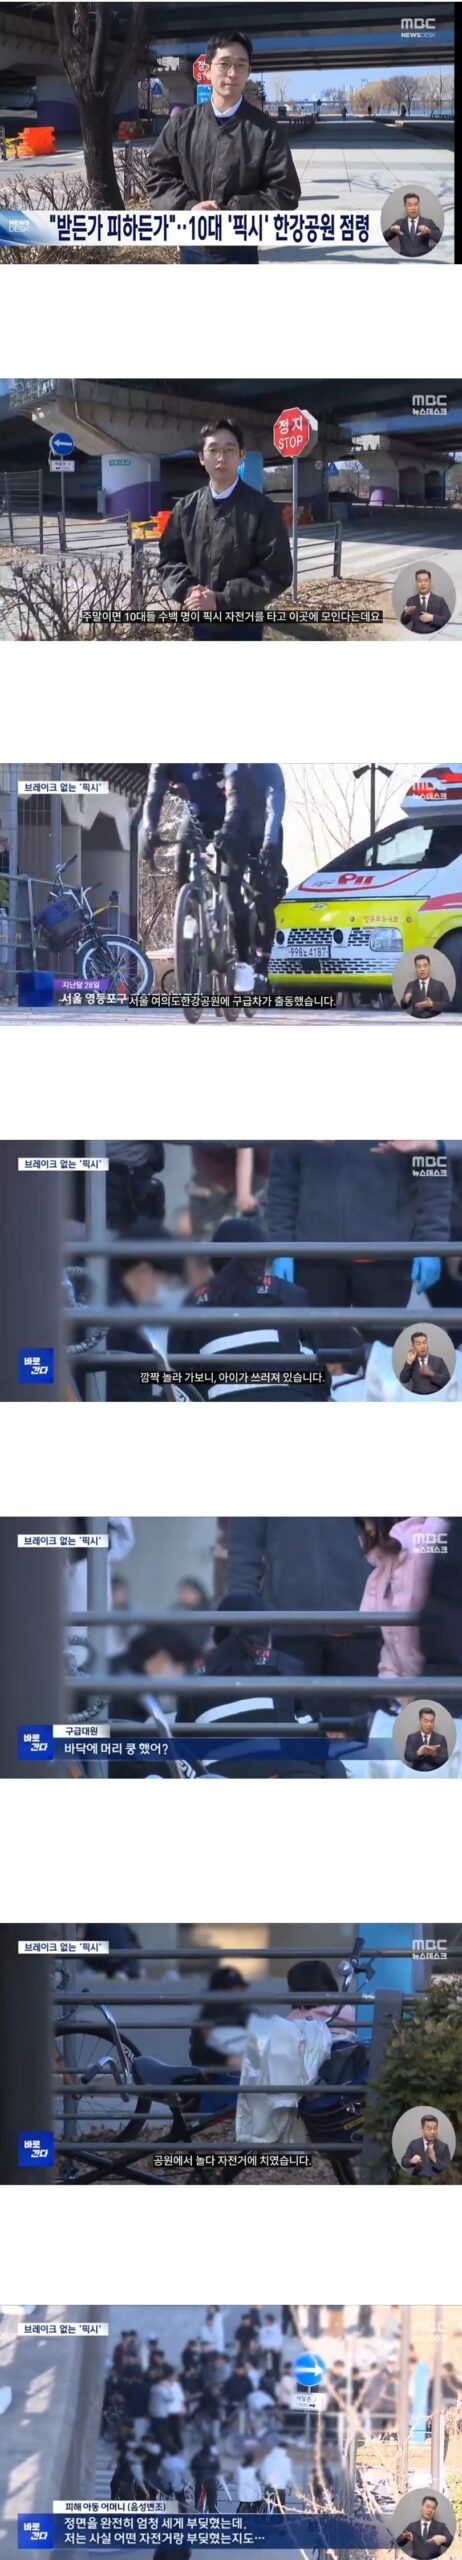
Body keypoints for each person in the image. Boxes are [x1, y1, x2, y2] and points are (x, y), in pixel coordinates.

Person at [224, 1512, 379, 1755]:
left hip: (361, 1630)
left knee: (359, 1748)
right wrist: (245, 1624)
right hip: (288, 1633)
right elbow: (244, 1555)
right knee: (294, 1745)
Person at [146, 27, 300, 267]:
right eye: (224, 63)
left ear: (249, 70)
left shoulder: (266, 131)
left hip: (240, 250)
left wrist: (231, 213)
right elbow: (158, 175)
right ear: (207, 69)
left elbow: (285, 192)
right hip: (192, 246)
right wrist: (189, 208)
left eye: (240, 65)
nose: (232, 72)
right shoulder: (182, 124)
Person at [266, 1141, 451, 1335]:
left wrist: (431, 1243)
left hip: (386, 1258)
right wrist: (282, 1247)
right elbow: (282, 1185)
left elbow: (432, 1182)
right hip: (315, 1257)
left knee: (381, 1353)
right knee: (317, 1350)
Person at [167, 1212, 329, 1401]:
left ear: (214, 1260)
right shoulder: (291, 1294)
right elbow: (322, 1367)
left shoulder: (193, 1303)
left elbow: (177, 1381)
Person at [158, 418, 292, 643]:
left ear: (241, 455)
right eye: (213, 450)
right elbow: (169, 561)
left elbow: (277, 572)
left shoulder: (261, 508)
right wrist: (190, 592)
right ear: (201, 457)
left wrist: (221, 600)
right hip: (200, 620)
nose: (221, 458)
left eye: (229, 450)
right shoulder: (185, 508)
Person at [384, 190, 442, 255]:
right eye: (409, 205)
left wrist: (429, 231)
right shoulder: (399, 223)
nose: (413, 208)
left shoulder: (428, 222)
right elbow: (384, 237)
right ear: (405, 206)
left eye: (416, 204)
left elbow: (440, 237)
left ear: (419, 205)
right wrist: (392, 229)